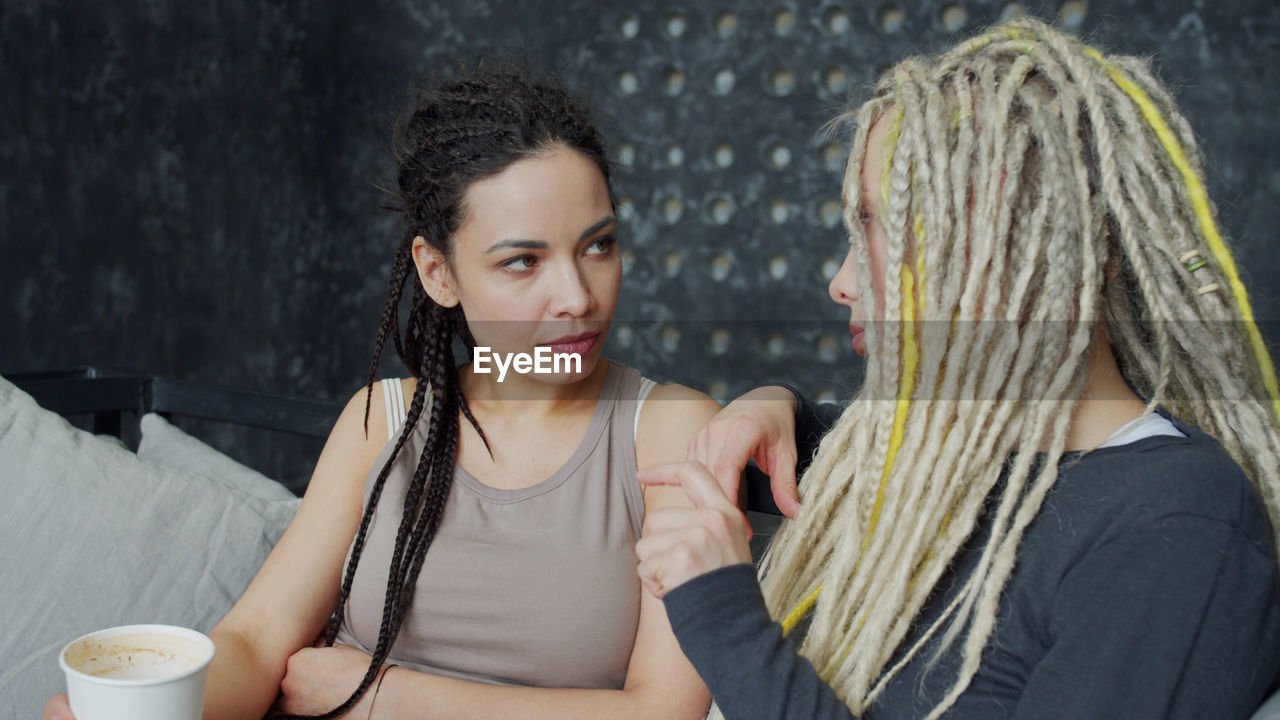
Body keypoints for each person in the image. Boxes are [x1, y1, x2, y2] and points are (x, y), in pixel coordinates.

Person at [636, 17, 1280, 720]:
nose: (842, 282)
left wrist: (726, 622)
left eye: (886, 229)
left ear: (1015, 251)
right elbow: (851, 449)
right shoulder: (955, 451)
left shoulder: (1177, 531)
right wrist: (776, 407)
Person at [45, 60, 715, 719]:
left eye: (598, 247)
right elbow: (254, 642)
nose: (576, 296)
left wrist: (383, 694)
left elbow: (665, 711)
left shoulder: (666, 432)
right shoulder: (383, 421)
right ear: (437, 272)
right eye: (522, 261)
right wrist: (148, 709)